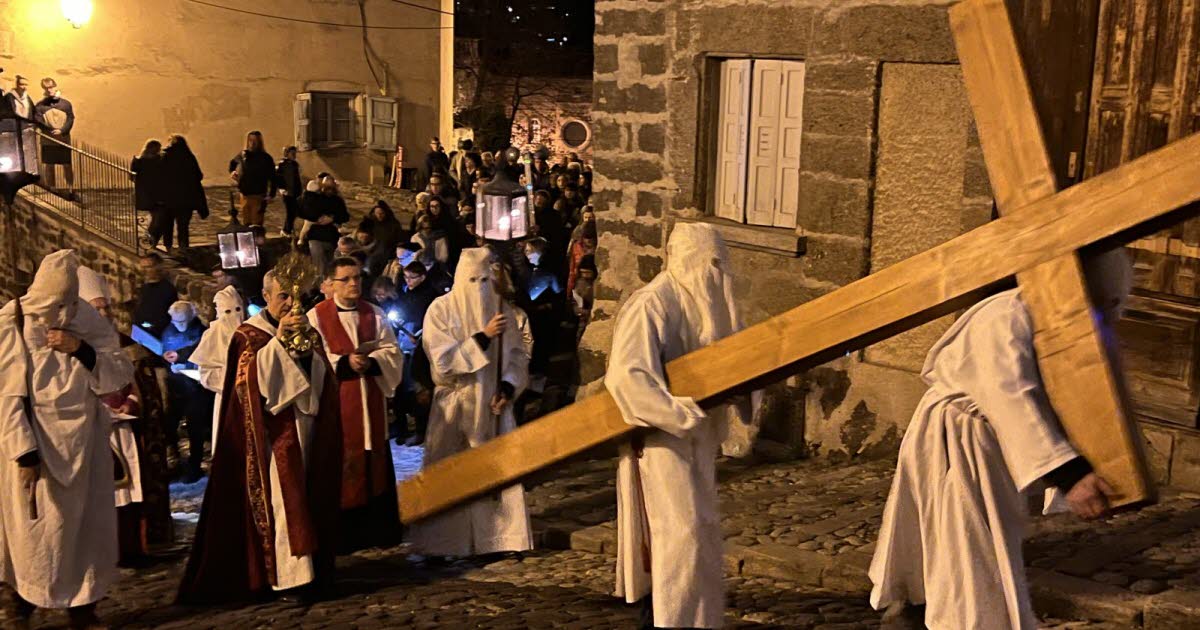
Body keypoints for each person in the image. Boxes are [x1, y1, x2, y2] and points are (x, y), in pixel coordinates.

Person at [868, 249, 1132, 630]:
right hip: (959, 443)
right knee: (970, 550)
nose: (1104, 315)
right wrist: (1069, 474)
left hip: (989, 445)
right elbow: (1011, 395)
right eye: (1100, 302)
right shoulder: (1006, 315)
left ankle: (917, 614)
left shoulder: (1057, 321)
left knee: (959, 545)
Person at [604, 223, 755, 630]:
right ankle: (667, 620)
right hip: (659, 443)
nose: (716, 277)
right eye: (709, 266)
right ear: (688, 260)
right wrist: (680, 414)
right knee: (677, 540)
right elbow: (628, 378)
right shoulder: (653, 303)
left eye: (721, 267)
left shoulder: (710, 307)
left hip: (697, 442)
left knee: (700, 537)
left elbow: (729, 363)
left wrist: (740, 394)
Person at [177, 271, 342, 605]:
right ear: (266, 296)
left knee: (307, 498)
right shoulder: (248, 335)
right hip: (269, 438)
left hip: (305, 426)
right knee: (283, 505)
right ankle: (289, 578)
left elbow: (323, 375)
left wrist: (308, 355)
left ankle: (314, 569)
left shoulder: (308, 330)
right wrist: (280, 344)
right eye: (283, 296)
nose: (290, 304)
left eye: (295, 296)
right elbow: (249, 385)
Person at [0, 250, 135, 630]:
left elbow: (117, 373)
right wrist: (22, 451)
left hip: (85, 439)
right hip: (37, 440)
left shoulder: (86, 320)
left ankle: (83, 606)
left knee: (86, 527)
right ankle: (20, 601)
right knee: (35, 529)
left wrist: (82, 350)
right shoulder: (13, 321)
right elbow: (7, 394)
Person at [409, 247, 534, 559]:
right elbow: (443, 359)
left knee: (494, 470)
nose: (478, 288)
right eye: (472, 280)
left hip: (492, 404)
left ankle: (498, 539)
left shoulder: (500, 309)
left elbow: (517, 356)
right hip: (455, 403)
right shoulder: (441, 310)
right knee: (450, 472)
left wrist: (507, 386)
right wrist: (483, 336)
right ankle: (444, 543)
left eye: (484, 280)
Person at [306, 258, 403, 552]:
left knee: (374, 465)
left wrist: (372, 361)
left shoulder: (374, 313)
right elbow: (313, 358)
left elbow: (392, 351)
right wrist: (345, 363)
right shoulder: (316, 317)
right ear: (331, 284)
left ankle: (378, 531)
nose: (353, 284)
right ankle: (345, 535)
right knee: (343, 466)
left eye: (357, 278)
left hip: (370, 402)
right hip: (339, 404)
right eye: (346, 279)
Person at [78, 266, 174, 552]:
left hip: (127, 428)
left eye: (106, 308)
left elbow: (143, 388)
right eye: (97, 309)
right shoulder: (73, 348)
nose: (105, 315)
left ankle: (138, 543)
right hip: (94, 432)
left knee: (133, 490)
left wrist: (131, 404)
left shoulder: (126, 345)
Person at [189, 286, 245, 451]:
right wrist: (229, 383)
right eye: (228, 311)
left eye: (237, 309)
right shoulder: (212, 336)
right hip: (227, 397)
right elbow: (207, 375)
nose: (234, 316)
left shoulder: (250, 331)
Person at [516, 238, 565, 424]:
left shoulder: (548, 274)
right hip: (530, 319)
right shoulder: (525, 273)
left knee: (540, 356)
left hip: (543, 323)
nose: (528, 254)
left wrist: (546, 306)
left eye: (531, 251)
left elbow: (557, 297)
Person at [161, 301, 211, 483]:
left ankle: (194, 465)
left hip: (196, 388)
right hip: (176, 387)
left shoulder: (202, 331)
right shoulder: (168, 330)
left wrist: (182, 358)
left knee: (195, 428)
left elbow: (201, 348)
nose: (179, 326)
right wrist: (168, 362)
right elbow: (165, 352)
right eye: (176, 322)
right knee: (169, 425)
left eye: (183, 322)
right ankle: (174, 461)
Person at [393, 261, 437, 445]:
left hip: (422, 346)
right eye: (406, 277)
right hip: (405, 344)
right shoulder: (407, 294)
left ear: (423, 277)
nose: (408, 281)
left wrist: (419, 335)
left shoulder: (430, 296)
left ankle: (423, 429)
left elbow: (431, 320)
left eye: (412, 277)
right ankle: (407, 427)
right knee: (405, 389)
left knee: (420, 388)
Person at [161, 134, 209, 249]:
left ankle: (168, 247)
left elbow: (159, 176)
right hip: (186, 199)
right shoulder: (188, 156)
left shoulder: (164, 156)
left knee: (168, 224)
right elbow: (198, 175)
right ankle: (183, 247)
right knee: (183, 226)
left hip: (169, 198)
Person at [300, 175, 350, 278]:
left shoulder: (337, 200)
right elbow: (307, 211)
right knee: (320, 269)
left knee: (331, 268)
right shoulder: (315, 198)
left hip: (331, 238)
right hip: (316, 237)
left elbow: (345, 216)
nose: (329, 190)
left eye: (331, 188)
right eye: (327, 188)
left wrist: (332, 218)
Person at [35, 78, 76, 197]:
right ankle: (52, 189)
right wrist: (49, 130)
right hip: (48, 140)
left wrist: (62, 130)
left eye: (51, 87)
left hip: (63, 139)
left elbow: (70, 118)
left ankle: (70, 188)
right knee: (49, 165)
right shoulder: (40, 105)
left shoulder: (66, 104)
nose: (49, 90)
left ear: (55, 86)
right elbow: (38, 120)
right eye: (46, 88)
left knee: (67, 165)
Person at [228, 131, 278, 227]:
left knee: (256, 225)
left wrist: (271, 195)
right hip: (245, 194)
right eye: (250, 140)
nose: (252, 143)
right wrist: (232, 172)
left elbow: (273, 177)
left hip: (258, 195)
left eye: (255, 140)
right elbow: (232, 164)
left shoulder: (266, 158)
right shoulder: (243, 155)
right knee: (246, 223)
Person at [131, 140, 169, 249]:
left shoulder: (138, 161)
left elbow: (132, 177)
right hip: (157, 194)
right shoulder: (159, 160)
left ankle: (150, 241)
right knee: (159, 220)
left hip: (146, 194)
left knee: (158, 219)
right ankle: (150, 241)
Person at [132, 252, 178, 337]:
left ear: (158, 267)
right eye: (143, 267)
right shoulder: (144, 287)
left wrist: (146, 326)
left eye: (148, 267)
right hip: (143, 334)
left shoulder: (167, 289)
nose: (144, 271)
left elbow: (162, 318)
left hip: (157, 336)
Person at [276, 146, 303, 237]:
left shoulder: (295, 164)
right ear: (287, 154)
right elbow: (279, 178)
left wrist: (299, 190)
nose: (294, 155)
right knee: (290, 211)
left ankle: (289, 229)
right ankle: (286, 230)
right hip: (287, 192)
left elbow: (296, 179)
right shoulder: (282, 165)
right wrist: (282, 188)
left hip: (295, 191)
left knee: (294, 211)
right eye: (292, 153)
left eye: (295, 153)